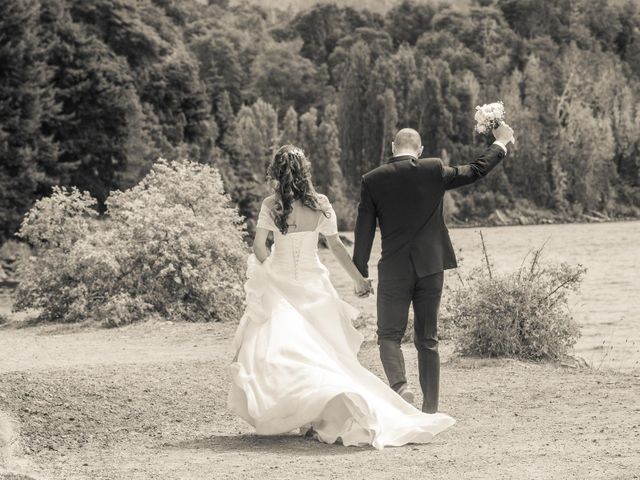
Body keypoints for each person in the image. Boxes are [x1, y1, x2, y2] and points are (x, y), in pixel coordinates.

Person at [228, 145, 455, 450]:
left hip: (282, 285)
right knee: (322, 353)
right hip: (315, 287)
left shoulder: (272, 205)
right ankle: (317, 414)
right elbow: (335, 247)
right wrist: (359, 279)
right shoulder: (320, 203)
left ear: (276, 172)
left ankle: (302, 414)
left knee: (284, 352)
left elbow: (258, 246)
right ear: (305, 170)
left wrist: (266, 270)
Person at [352, 124, 515, 413]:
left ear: (392, 148)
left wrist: (360, 272)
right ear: (420, 150)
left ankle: (401, 387)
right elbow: (476, 170)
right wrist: (500, 142)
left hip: (394, 269)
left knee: (388, 335)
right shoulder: (434, 169)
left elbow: (363, 230)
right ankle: (430, 409)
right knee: (427, 339)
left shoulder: (372, 180)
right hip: (431, 267)